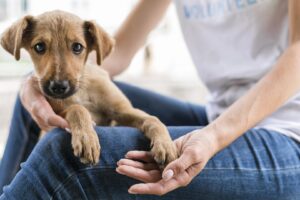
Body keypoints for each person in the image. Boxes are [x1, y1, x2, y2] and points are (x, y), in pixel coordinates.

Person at [1, 0, 300, 199]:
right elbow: (115, 56)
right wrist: (35, 82)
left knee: (62, 154)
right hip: (218, 113)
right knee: (32, 101)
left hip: (287, 134)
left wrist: (213, 137)